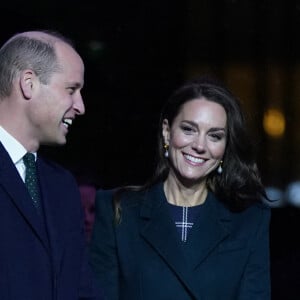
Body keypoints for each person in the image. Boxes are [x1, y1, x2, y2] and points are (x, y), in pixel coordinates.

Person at [89, 77, 271, 300]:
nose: (200, 146)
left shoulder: (249, 219)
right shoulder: (117, 210)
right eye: (189, 129)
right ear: (167, 132)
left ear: (225, 147)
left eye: (214, 136)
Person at [0, 30, 104, 299]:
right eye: (71, 89)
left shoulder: (62, 185)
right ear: (29, 83)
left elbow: (81, 288)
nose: (80, 106)